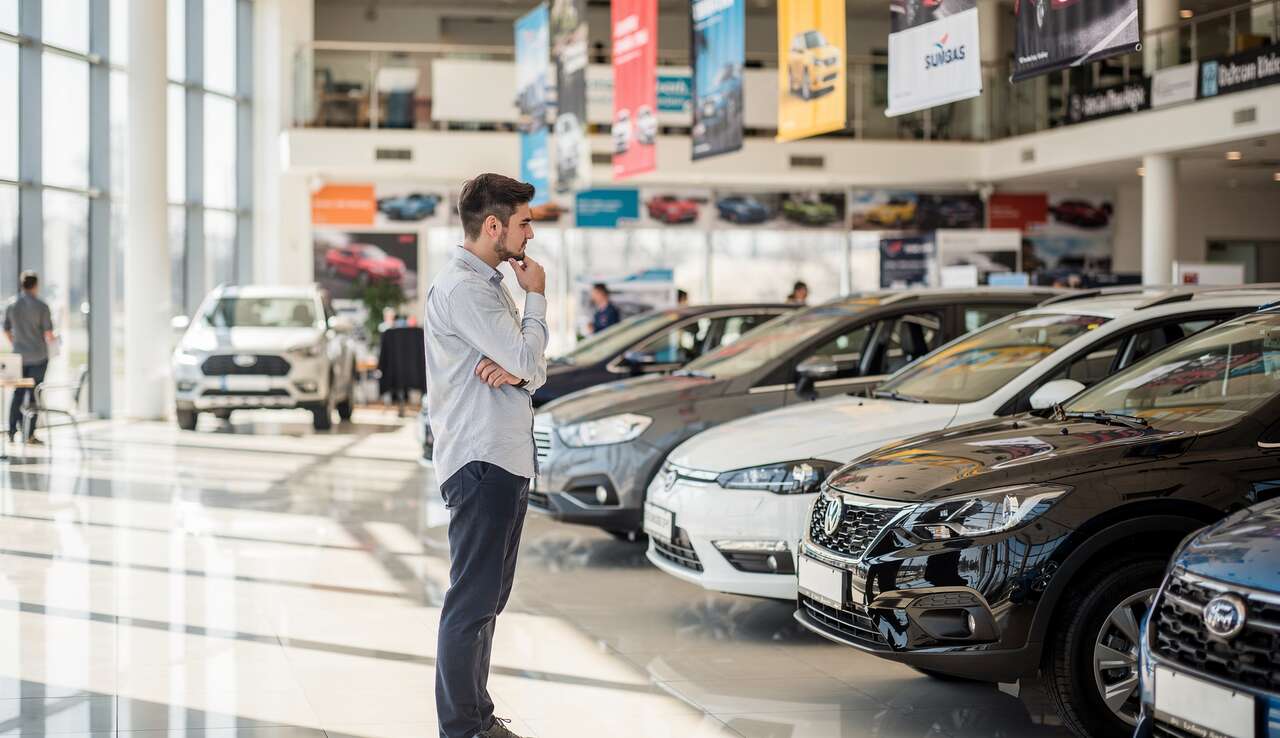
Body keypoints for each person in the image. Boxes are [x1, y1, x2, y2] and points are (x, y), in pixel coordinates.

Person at [423, 173, 546, 738]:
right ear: (493, 225)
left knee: (488, 599)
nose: (530, 230)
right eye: (523, 221)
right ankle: (462, 727)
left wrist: (520, 369)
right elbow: (530, 361)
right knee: (471, 601)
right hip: (481, 461)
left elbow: (525, 366)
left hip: (500, 458)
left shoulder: (486, 283)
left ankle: (476, 716)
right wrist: (537, 297)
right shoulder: (468, 289)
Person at [3, 272, 54, 444]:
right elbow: (48, 334)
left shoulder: (11, 305)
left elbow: (7, 331)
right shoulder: (42, 306)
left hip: (18, 357)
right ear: (35, 285)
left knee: (17, 393)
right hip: (38, 356)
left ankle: (11, 431)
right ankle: (29, 434)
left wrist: (16, 344)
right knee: (33, 394)